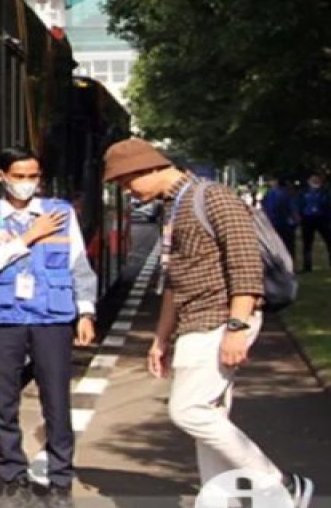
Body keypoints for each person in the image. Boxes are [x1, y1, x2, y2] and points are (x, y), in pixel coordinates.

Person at [103, 138, 314, 508]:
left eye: (125, 181)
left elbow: (245, 265)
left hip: (220, 318)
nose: (127, 191)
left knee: (189, 410)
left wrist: (236, 327)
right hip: (195, 321)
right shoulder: (175, 205)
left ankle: (278, 484)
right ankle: (218, 500)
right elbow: (174, 278)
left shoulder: (214, 197)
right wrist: (161, 338)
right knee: (211, 417)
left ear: (149, 167)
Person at [0, 146, 96, 508]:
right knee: (3, 402)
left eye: (33, 176)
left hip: (52, 319)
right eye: (19, 176)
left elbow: (79, 264)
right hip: (4, 318)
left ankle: (60, 482)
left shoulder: (61, 213)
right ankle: (13, 477)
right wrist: (29, 237)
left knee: (56, 401)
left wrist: (85, 312)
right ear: (0, 176)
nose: (27, 184)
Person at [297, 173, 330, 272]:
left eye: (317, 180)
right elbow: (299, 204)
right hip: (308, 219)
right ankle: (307, 266)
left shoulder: (324, 192)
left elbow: (328, 205)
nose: (315, 182)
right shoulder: (303, 192)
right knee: (307, 244)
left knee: (329, 240)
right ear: (309, 181)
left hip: (321, 218)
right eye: (313, 180)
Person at [260, 178, 299, 257]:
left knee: (274, 246)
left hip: (271, 224)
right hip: (285, 224)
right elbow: (293, 209)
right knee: (288, 246)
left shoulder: (268, 194)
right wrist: (296, 222)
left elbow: (263, 207)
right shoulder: (287, 194)